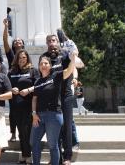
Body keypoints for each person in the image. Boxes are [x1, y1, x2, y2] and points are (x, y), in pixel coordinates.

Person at [20, 51, 76, 165]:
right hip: (39, 116)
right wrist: (34, 113)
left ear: (50, 66)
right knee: (33, 142)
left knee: (52, 144)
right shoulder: (38, 81)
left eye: (46, 63)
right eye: (41, 63)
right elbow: (34, 99)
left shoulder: (56, 76)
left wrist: (73, 57)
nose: (43, 65)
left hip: (54, 116)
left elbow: (69, 70)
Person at [41, 34, 74, 164]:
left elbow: (74, 64)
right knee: (55, 128)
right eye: (49, 41)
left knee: (66, 126)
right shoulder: (44, 58)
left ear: (58, 42)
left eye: (53, 40)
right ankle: (56, 157)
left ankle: (67, 156)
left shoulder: (64, 54)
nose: (51, 43)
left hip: (65, 96)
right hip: (52, 98)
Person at [8, 49, 39, 164]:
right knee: (21, 131)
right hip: (16, 106)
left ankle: (27, 154)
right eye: (20, 58)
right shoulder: (12, 72)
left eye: (24, 58)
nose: (21, 60)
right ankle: (24, 153)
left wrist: (28, 90)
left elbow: (39, 85)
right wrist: (11, 89)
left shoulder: (33, 71)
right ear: (16, 59)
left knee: (27, 131)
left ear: (27, 59)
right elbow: (6, 86)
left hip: (29, 106)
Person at [2, 18, 25, 142]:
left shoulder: (25, 55)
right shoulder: (11, 55)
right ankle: (13, 133)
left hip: (25, 85)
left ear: (22, 44)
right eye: (15, 41)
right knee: (13, 111)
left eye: (19, 41)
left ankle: (24, 132)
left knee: (24, 111)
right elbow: (5, 41)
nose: (17, 42)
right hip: (13, 85)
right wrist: (6, 27)